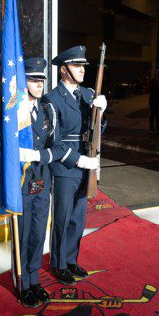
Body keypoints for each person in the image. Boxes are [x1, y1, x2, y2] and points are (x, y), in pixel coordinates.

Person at [43, 45, 107, 286]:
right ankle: (58, 263)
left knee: (78, 218)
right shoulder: (52, 99)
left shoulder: (87, 95)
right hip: (65, 166)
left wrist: (102, 112)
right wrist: (78, 159)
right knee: (62, 216)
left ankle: (70, 259)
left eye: (83, 66)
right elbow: (53, 140)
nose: (81, 70)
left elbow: (96, 130)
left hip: (85, 162)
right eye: (77, 66)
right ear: (63, 70)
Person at [15, 57, 66, 308]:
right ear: (24, 81)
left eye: (42, 80)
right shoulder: (15, 112)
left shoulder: (48, 110)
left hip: (42, 182)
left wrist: (40, 155)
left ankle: (34, 279)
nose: (39, 84)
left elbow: (57, 147)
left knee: (37, 233)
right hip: (23, 183)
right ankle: (23, 283)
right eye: (34, 80)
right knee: (23, 235)